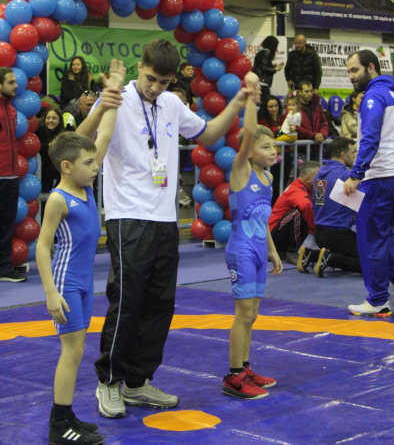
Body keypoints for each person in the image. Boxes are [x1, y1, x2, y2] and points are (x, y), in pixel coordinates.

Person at [75, 39, 260, 419]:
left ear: (173, 79)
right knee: (127, 302)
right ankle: (109, 381)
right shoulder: (118, 97)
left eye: (163, 82)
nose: (154, 87)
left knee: (160, 304)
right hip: (128, 216)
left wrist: (238, 102)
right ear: (139, 67)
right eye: (150, 79)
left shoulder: (171, 103)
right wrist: (102, 106)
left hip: (164, 219)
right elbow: (81, 142)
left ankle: (137, 380)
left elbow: (208, 134)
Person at [36, 59, 125, 445]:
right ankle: (59, 426)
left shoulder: (84, 186)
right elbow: (42, 246)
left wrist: (111, 96)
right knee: (71, 353)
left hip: (83, 282)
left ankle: (67, 414)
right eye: (89, 164)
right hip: (66, 282)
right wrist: (50, 292)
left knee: (77, 350)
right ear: (67, 167)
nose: (96, 167)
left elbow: (101, 137)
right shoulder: (59, 198)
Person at [343, 50, 394, 316]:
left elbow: (370, 138)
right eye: (349, 71)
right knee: (383, 229)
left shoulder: (374, 95)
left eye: (354, 70)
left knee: (370, 237)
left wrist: (356, 174)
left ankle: (377, 300)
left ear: (371, 67)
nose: (351, 76)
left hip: (381, 178)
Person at [223, 72, 282, 399]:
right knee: (243, 314)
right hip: (242, 250)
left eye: (274, 146)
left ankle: (245, 369)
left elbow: (263, 219)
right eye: (266, 146)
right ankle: (234, 377)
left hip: (258, 250)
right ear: (249, 151)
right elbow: (247, 134)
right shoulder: (241, 170)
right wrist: (251, 99)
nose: (273, 151)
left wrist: (272, 250)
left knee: (253, 315)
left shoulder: (268, 179)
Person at [298, 137, 362, 277]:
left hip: (320, 233)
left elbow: (316, 204)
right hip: (337, 234)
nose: (355, 156)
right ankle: (331, 258)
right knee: (371, 264)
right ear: (343, 155)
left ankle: (312, 255)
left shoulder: (319, 175)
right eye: (353, 152)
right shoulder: (347, 177)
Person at [0, 67, 26, 283]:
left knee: (6, 225)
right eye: (11, 82)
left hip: (11, 177)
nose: (16, 85)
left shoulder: (12, 111)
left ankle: (3, 268)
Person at [268, 161, 320, 264]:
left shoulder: (309, 188)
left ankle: (284, 251)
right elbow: (305, 207)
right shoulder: (296, 189)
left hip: (282, 233)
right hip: (274, 235)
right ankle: (292, 251)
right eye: (319, 177)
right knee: (298, 212)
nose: (321, 180)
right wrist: (314, 231)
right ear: (308, 179)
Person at [257, 95, 288, 205]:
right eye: (271, 106)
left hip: (285, 155)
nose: (274, 109)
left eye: (276, 105)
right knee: (272, 186)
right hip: (269, 157)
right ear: (265, 108)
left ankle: (278, 208)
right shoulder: (262, 121)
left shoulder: (284, 118)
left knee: (282, 185)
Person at [36, 106, 65, 194]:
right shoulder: (39, 132)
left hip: (56, 172)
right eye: (48, 118)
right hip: (41, 172)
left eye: (54, 118)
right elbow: (38, 148)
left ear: (59, 121)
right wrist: (49, 146)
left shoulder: (63, 135)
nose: (50, 120)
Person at [252, 36, 284, 102]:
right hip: (263, 82)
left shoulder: (260, 53)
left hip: (258, 81)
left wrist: (273, 66)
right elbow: (264, 69)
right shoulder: (266, 53)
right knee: (266, 102)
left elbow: (262, 66)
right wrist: (275, 69)